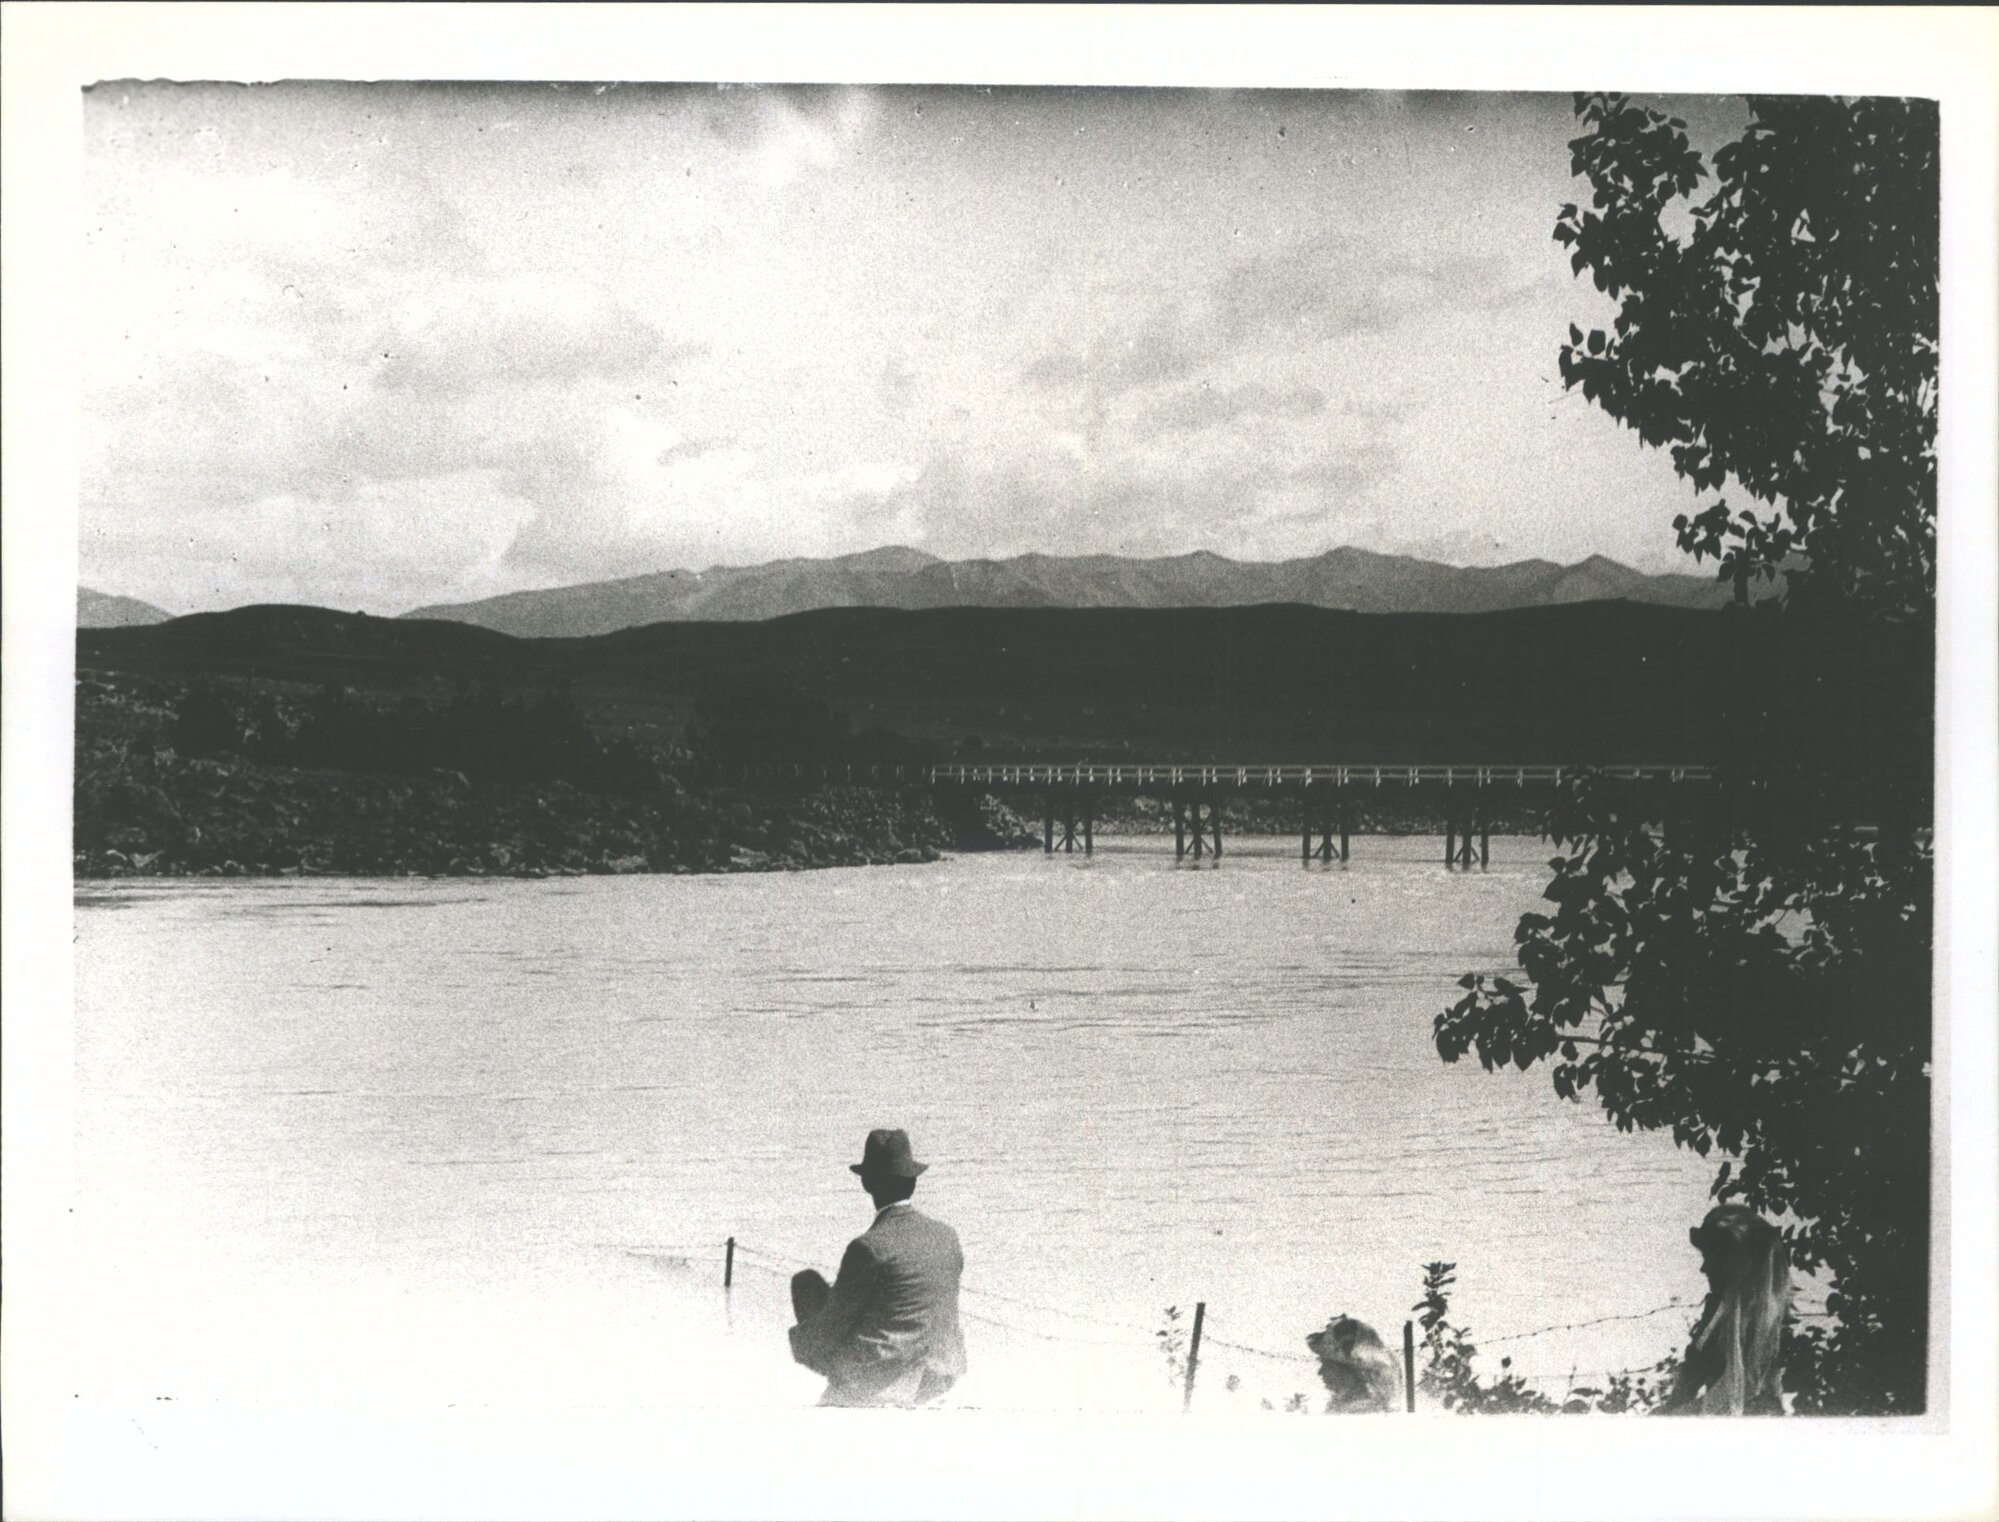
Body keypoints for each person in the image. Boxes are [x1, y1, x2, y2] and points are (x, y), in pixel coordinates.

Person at [788, 1128, 968, 1408]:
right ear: (913, 1182)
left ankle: (839, 1387)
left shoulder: (868, 1247)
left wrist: (801, 1344)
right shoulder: (947, 1237)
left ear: (867, 1184)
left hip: (882, 1379)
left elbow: (835, 1322)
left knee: (805, 1284)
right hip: (941, 1373)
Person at [1655, 1203, 1792, 1415]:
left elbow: (1740, 1395)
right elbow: (1695, 1367)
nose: (1704, 1268)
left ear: (1734, 1263)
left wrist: (1676, 1414)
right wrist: (1670, 1408)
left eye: (1711, 1258)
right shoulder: (1720, 1307)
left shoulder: (1760, 1322)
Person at [1305, 1314, 1399, 1412]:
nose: (1320, 1372)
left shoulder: (1358, 1410)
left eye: (1326, 1365)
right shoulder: (1343, 1405)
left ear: (1348, 1370)